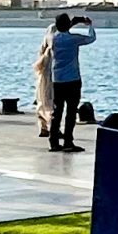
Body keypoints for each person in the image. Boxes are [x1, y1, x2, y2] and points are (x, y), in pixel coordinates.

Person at [45, 12, 95, 151]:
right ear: (68, 25)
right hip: (73, 79)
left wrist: (72, 22)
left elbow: (54, 29)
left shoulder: (52, 39)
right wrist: (88, 25)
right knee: (71, 112)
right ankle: (68, 142)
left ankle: (53, 142)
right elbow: (91, 38)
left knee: (57, 111)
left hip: (57, 80)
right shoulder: (74, 39)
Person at [32, 14, 59, 140]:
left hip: (42, 78)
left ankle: (43, 126)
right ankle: (54, 128)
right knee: (52, 102)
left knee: (42, 100)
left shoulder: (43, 51)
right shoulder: (52, 50)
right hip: (52, 78)